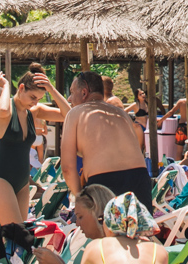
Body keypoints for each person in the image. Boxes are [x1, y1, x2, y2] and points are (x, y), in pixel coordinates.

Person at [0, 64, 71, 223]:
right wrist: (6, 86)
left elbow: (68, 114)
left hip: (22, 182)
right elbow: (2, 110)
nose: (35, 102)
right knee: (16, 233)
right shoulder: (6, 108)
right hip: (0, 180)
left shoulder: (33, 111)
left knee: (18, 236)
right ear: (21, 88)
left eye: (38, 99)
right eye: (32, 97)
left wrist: (51, 89)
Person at [62, 70, 154, 208]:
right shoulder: (122, 114)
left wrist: (80, 198)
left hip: (104, 183)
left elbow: (67, 168)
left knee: (104, 230)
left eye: (72, 92)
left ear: (84, 92)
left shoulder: (75, 114)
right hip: (139, 178)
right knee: (139, 229)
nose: (69, 99)